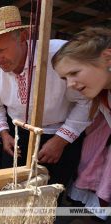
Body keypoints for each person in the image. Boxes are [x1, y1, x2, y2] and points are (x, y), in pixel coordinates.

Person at [0, 6, 92, 188]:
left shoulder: (59, 56)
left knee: (49, 194)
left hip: (59, 134)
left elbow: (87, 101)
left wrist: (60, 141)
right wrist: (4, 133)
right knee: (12, 191)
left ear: (24, 37)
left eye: (2, 50)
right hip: (18, 136)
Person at [52, 27, 111, 219]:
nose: (70, 84)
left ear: (107, 58)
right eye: (65, 78)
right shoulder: (103, 97)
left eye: (75, 72)